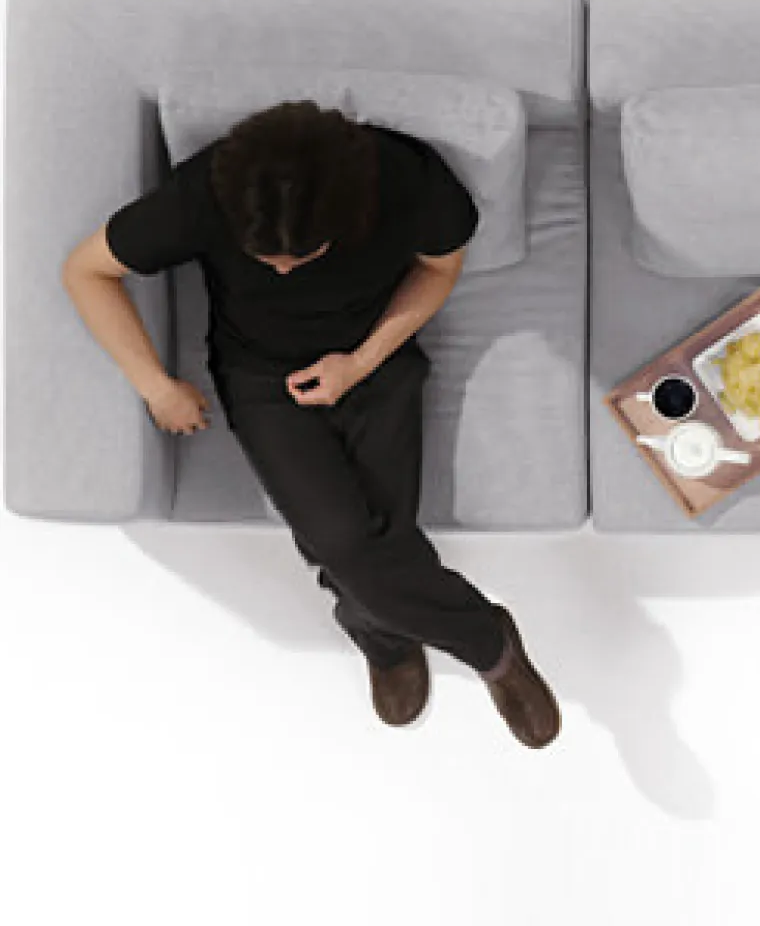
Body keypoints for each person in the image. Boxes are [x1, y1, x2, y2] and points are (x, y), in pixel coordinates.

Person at [60, 100, 561, 749]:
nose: (281, 270)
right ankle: (489, 645)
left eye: (302, 256)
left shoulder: (404, 181)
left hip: (375, 360)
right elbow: (86, 270)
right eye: (264, 257)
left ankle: (381, 637)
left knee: (370, 544)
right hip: (261, 378)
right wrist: (156, 386)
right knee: (347, 544)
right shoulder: (206, 192)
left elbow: (440, 268)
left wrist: (360, 363)